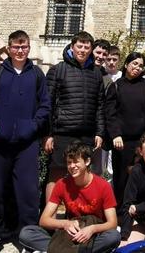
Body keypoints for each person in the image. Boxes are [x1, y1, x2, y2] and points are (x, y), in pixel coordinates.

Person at [0, 30, 51, 252]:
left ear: (29, 48)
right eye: (16, 47)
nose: (20, 51)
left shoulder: (37, 74)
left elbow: (45, 106)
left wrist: (32, 126)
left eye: (24, 47)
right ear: (9, 49)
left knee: (28, 191)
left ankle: (28, 234)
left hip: (27, 143)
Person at [18, 141, 120, 253]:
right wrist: (65, 224)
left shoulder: (103, 185)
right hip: (69, 234)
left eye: (76, 162)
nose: (72, 166)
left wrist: (92, 229)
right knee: (26, 233)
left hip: (92, 235)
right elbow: (44, 220)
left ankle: (58, 250)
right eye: (69, 162)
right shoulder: (62, 184)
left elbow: (112, 223)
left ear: (87, 161)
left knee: (113, 236)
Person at [44, 31, 110, 196]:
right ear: (72, 47)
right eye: (79, 46)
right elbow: (47, 104)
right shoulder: (58, 70)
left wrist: (100, 132)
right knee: (57, 174)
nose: (82, 50)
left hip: (87, 134)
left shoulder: (96, 73)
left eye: (86, 47)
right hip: (62, 133)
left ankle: (79, 215)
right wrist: (48, 134)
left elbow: (99, 105)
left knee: (84, 176)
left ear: (90, 49)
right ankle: (49, 218)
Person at [105, 52, 145, 208]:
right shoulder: (116, 85)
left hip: (142, 142)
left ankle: (140, 211)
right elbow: (110, 113)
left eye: (141, 65)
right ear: (126, 64)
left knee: (143, 177)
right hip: (122, 142)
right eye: (135, 63)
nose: (137, 68)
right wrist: (115, 134)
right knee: (121, 179)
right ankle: (121, 213)